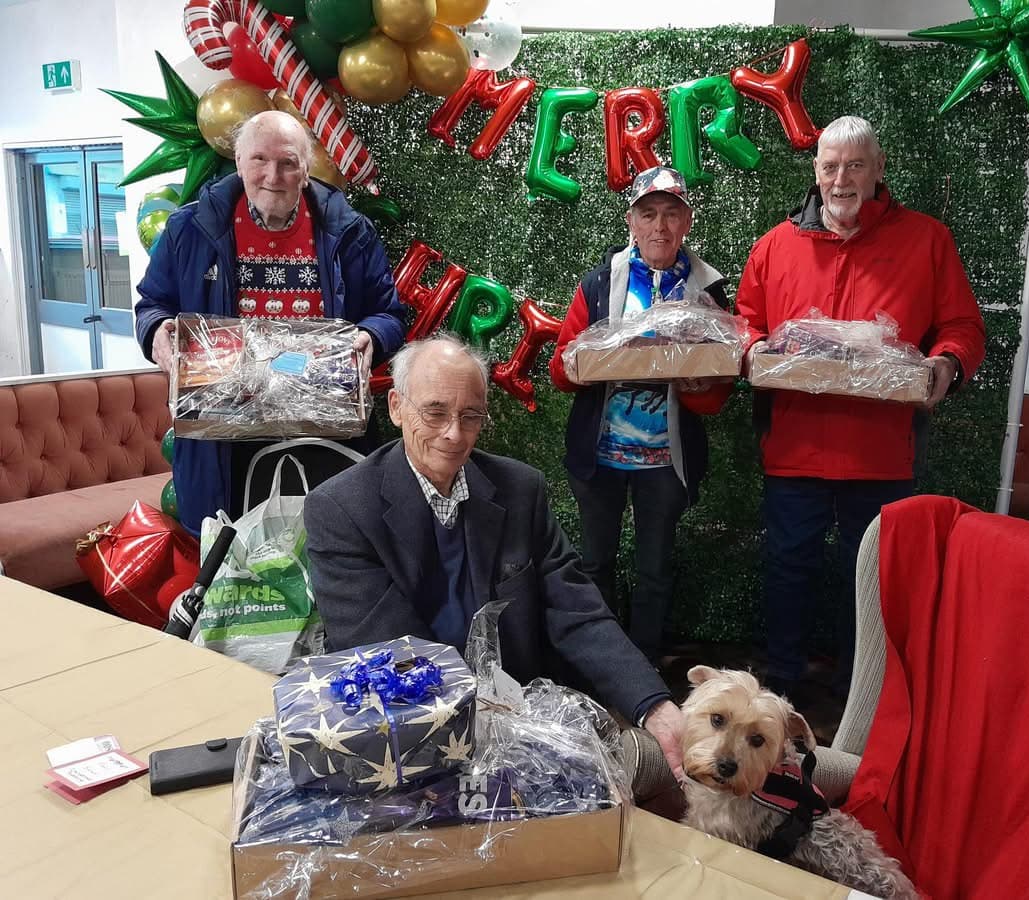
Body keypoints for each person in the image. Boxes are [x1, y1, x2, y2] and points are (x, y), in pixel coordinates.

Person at [303, 334, 686, 778]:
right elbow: (391, 652)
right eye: (435, 412)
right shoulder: (342, 508)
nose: (453, 433)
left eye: (470, 416)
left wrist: (652, 706)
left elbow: (577, 611)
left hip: (522, 713)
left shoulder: (520, 490)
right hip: (409, 732)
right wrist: (496, 730)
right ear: (395, 407)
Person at [736, 115, 986, 702]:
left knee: (871, 581)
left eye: (855, 165)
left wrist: (946, 363)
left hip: (882, 455)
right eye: (830, 166)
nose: (841, 178)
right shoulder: (774, 246)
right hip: (794, 449)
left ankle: (863, 696)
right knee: (787, 569)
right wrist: (751, 350)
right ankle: (778, 693)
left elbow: (962, 326)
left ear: (878, 171)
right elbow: (746, 322)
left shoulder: (926, 240)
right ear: (815, 171)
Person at [135, 109, 407, 535]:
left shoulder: (350, 232)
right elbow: (151, 303)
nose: (272, 176)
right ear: (239, 163)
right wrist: (157, 332)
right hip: (222, 446)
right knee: (230, 574)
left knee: (325, 558)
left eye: (287, 162)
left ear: (306, 167)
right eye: (259, 160)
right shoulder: (190, 229)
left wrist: (373, 337)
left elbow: (389, 314)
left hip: (325, 438)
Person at [548, 166, 731, 662]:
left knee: (654, 567)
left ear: (687, 222)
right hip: (600, 458)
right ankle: (603, 661)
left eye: (671, 214)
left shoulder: (708, 292)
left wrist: (694, 384)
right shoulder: (599, 284)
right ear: (631, 222)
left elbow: (719, 391)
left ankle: (645, 666)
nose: (660, 227)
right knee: (595, 562)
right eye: (649, 214)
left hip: (665, 462)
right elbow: (561, 368)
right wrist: (585, 365)